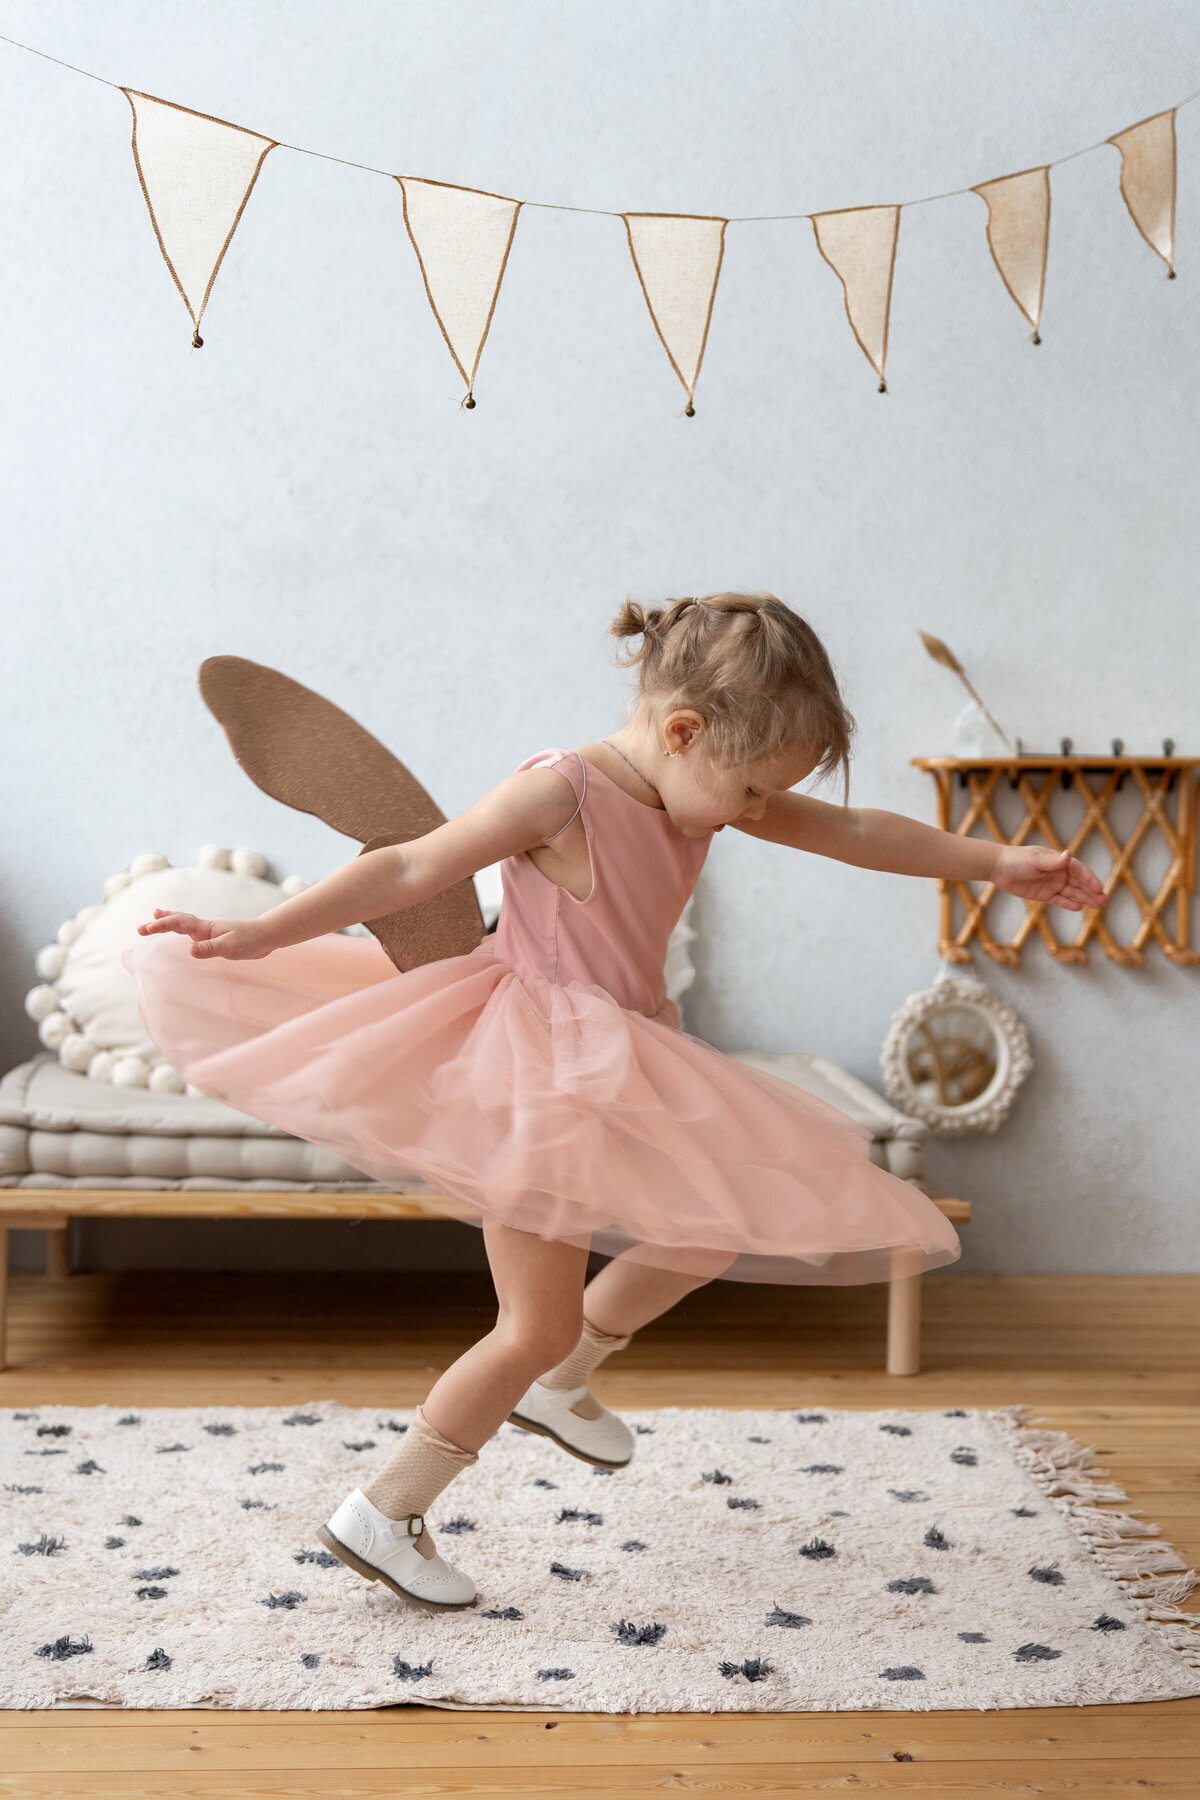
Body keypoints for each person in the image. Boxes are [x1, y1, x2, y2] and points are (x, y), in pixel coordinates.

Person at [125, 594, 1106, 1614]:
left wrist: (997, 862)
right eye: (751, 790)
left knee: (708, 1225)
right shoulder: (561, 794)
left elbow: (857, 830)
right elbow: (412, 865)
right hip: (530, 1076)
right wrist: (269, 932)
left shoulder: (706, 781)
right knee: (531, 1327)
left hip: (626, 1055)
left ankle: (564, 1380)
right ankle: (388, 1508)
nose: (755, 813)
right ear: (684, 731)